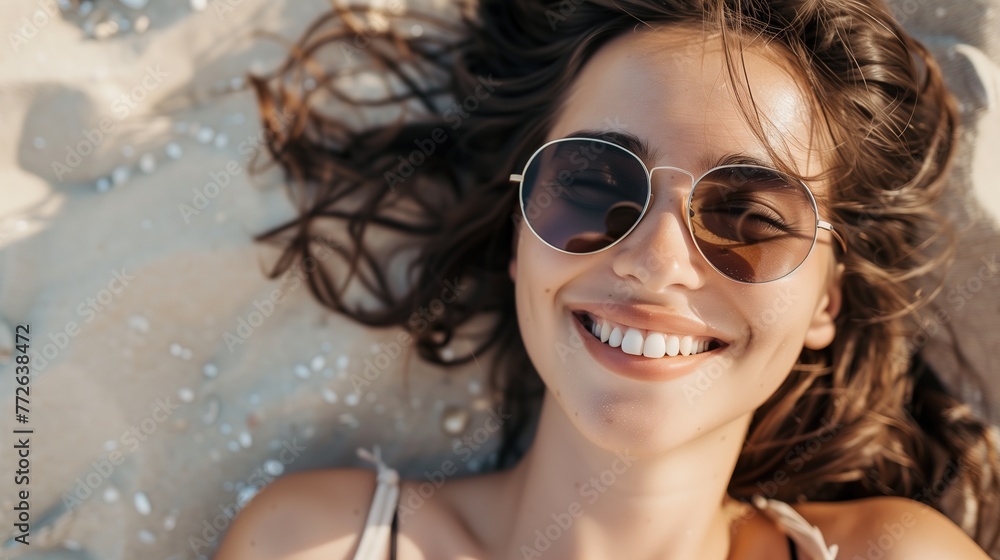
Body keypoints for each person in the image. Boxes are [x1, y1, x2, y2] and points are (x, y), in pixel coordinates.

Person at [216, 0, 1000, 558]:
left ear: (827, 298)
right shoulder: (312, 543)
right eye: (592, 187)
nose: (654, 259)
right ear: (520, 240)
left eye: (751, 221)